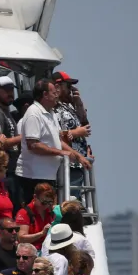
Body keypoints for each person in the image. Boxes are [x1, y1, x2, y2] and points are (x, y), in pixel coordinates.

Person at [15, 78, 90, 206]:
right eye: (54, 92)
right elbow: (33, 145)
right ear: (44, 94)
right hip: (32, 178)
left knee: (48, 217)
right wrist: (61, 153)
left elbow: (58, 140)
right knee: (34, 218)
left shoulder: (51, 113)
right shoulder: (34, 113)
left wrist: (78, 156)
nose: (57, 95)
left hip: (47, 177)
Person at [52, 71, 92, 200]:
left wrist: (78, 102)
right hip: (67, 163)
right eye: (68, 86)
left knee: (78, 200)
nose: (71, 90)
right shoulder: (53, 107)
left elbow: (85, 124)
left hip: (78, 163)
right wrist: (76, 133)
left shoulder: (69, 106)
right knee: (70, 200)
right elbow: (54, 135)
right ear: (58, 87)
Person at [0, 75, 22, 208]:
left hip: (12, 168)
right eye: (6, 90)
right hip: (4, 170)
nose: (10, 93)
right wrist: (23, 137)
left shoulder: (6, 111)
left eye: (12, 90)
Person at [15, 183, 57, 250]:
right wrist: (41, 233)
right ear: (35, 197)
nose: (46, 205)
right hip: (31, 251)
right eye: (43, 202)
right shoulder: (24, 213)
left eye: (50, 202)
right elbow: (21, 239)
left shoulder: (51, 211)